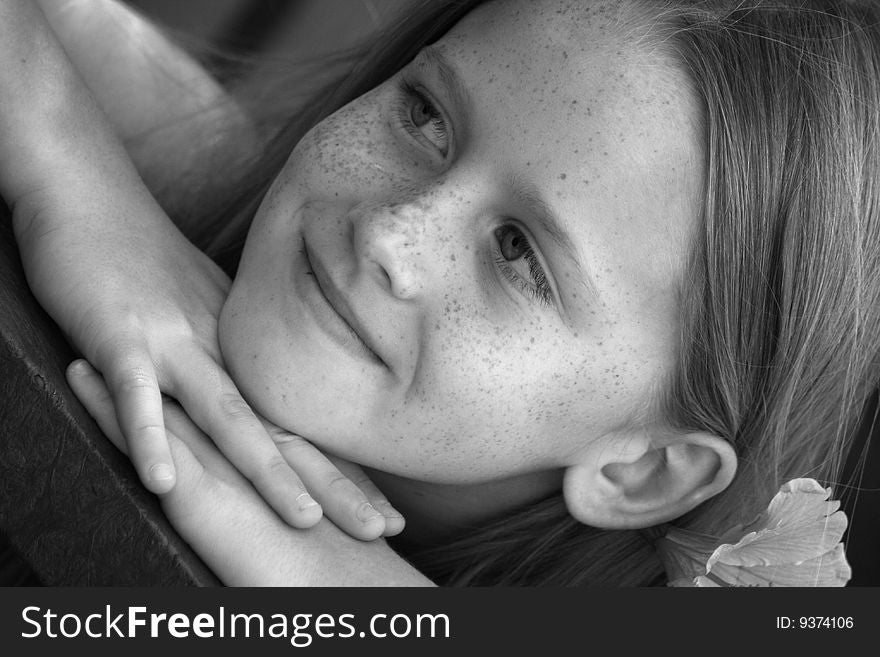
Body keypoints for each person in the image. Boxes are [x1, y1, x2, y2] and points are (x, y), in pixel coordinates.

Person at [2, 0, 878, 586]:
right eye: (426, 115)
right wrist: (68, 165)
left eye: (517, 252)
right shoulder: (192, 169)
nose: (390, 233)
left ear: (642, 470)